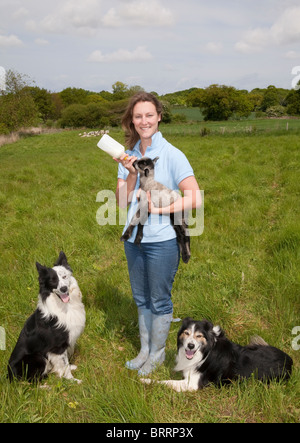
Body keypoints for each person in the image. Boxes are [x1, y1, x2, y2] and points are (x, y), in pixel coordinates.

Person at [115, 92, 201, 376]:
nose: (144, 121)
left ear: (159, 116)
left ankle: (158, 354)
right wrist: (129, 173)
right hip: (134, 242)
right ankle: (144, 351)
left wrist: (160, 210)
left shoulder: (173, 154)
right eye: (138, 116)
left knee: (159, 300)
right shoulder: (128, 156)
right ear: (132, 121)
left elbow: (194, 198)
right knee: (141, 299)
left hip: (162, 242)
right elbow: (120, 202)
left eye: (149, 115)